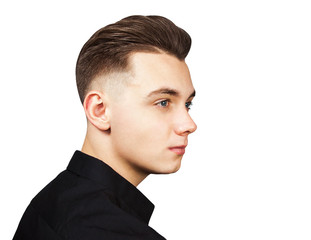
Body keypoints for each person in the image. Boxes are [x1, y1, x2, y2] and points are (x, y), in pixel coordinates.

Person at [13, 15, 197, 239]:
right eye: (163, 102)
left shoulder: (56, 198)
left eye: (188, 104)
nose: (189, 124)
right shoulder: (108, 230)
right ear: (99, 110)